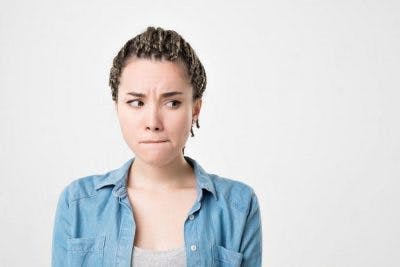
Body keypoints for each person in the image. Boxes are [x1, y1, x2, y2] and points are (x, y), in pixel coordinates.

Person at [51, 26, 262, 267]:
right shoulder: (78, 204)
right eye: (136, 102)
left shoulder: (238, 206)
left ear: (195, 109)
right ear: (117, 107)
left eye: (172, 103)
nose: (153, 122)